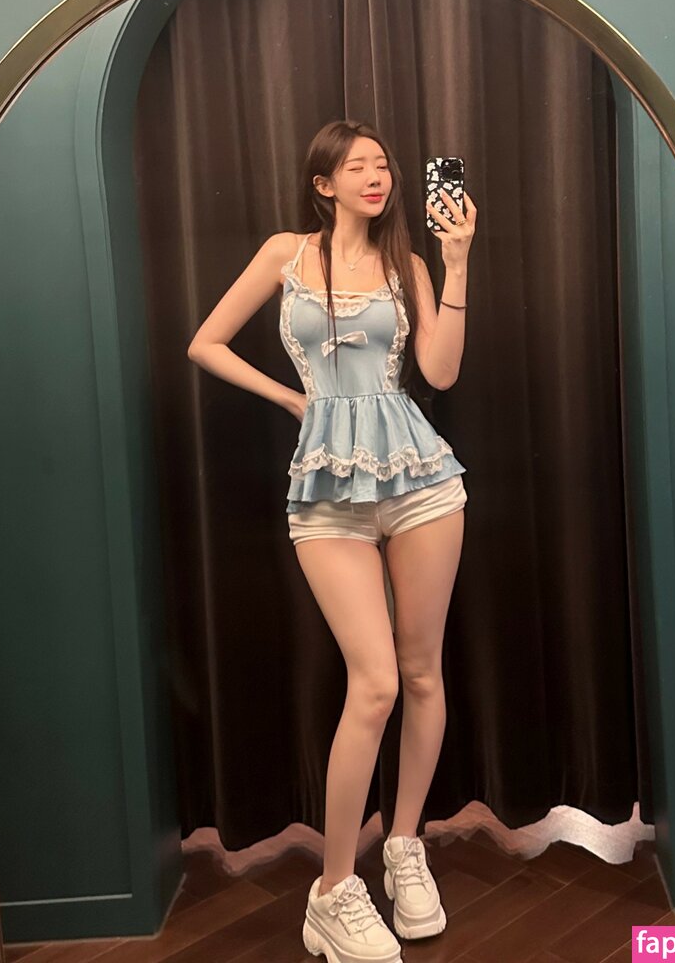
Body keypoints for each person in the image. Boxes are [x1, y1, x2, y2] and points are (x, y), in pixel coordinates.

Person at [187, 119, 476, 963]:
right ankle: (333, 890)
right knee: (375, 682)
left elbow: (441, 372)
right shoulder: (286, 254)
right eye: (357, 167)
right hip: (325, 492)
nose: (376, 177)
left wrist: (457, 263)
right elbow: (204, 343)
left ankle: (405, 846)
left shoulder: (407, 263)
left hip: (421, 482)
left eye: (383, 165)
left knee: (422, 673)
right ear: (324, 183)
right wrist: (290, 399)